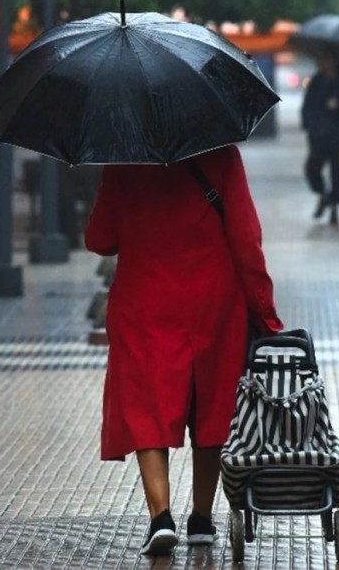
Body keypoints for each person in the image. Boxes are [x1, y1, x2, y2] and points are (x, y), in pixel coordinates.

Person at [84, 144, 284, 557]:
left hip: (145, 302)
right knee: (210, 406)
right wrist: (264, 308)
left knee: (147, 405)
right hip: (213, 302)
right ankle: (202, 519)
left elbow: (99, 239)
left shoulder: (123, 157)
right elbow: (246, 236)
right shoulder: (221, 153)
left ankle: (161, 518)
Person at [301, 55, 339, 226]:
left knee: (337, 171)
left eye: (325, 60)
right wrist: (309, 126)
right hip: (318, 134)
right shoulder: (317, 81)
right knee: (312, 168)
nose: (321, 63)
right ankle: (324, 195)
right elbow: (308, 105)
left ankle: (335, 205)